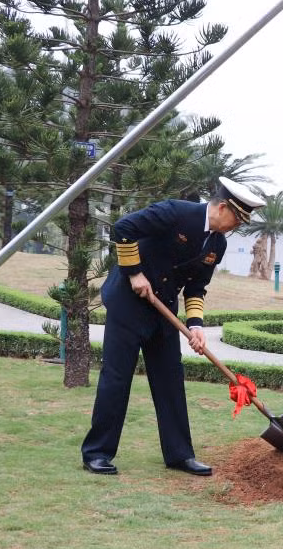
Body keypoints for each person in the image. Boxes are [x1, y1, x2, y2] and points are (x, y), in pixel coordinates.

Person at [81, 177, 263, 476]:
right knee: (117, 379)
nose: (236, 226)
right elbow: (123, 228)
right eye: (237, 219)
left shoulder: (217, 244)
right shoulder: (175, 212)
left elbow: (196, 287)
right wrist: (134, 273)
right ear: (222, 208)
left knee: (171, 381)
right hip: (128, 304)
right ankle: (97, 453)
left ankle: (180, 455)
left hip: (163, 311)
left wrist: (196, 325)